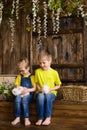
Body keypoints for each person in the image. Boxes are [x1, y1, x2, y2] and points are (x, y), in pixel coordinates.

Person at [35, 50, 62, 126]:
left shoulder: (54, 72)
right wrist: (39, 89)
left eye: (44, 63)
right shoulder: (37, 72)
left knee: (47, 96)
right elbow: (36, 83)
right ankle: (40, 118)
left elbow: (58, 85)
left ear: (50, 61)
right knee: (40, 97)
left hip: (51, 93)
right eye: (40, 63)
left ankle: (47, 117)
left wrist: (50, 89)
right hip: (41, 92)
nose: (42, 65)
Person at [11, 57, 36, 126]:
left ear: (28, 68)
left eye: (23, 70)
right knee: (17, 99)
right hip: (21, 93)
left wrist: (27, 90)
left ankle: (26, 118)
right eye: (20, 71)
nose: (21, 72)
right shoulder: (19, 76)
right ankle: (17, 117)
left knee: (24, 100)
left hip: (29, 94)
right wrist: (20, 89)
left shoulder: (32, 77)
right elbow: (17, 86)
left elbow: (34, 88)